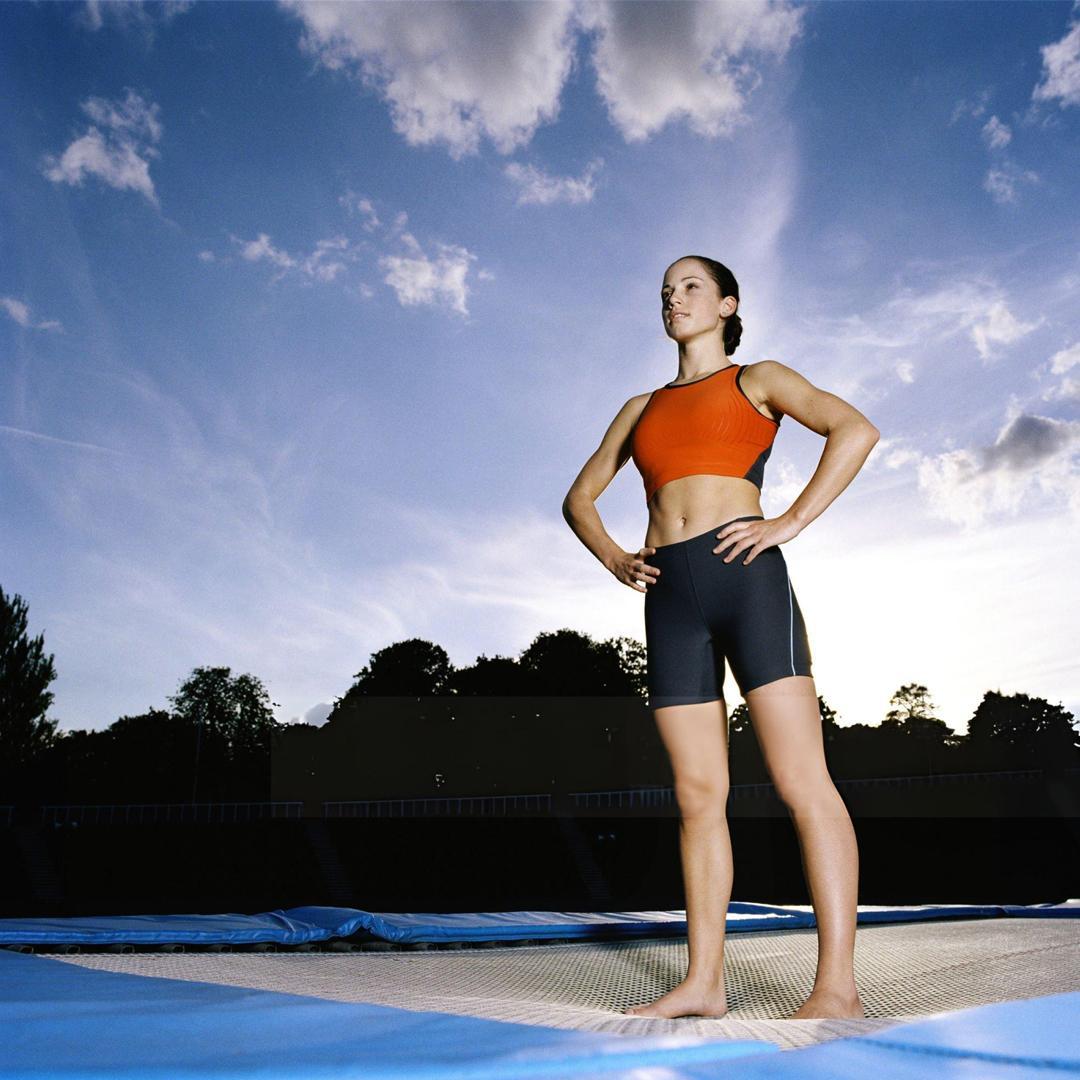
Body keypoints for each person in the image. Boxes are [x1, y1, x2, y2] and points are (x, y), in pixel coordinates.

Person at [561, 255, 879, 1020]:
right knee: (698, 794)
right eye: (666, 292)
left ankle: (836, 987)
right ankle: (704, 984)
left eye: (690, 287)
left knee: (803, 779)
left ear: (727, 304)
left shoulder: (758, 379)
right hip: (669, 598)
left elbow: (855, 430)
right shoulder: (638, 407)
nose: (674, 299)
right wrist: (614, 556)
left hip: (747, 581)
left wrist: (789, 522)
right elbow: (579, 498)